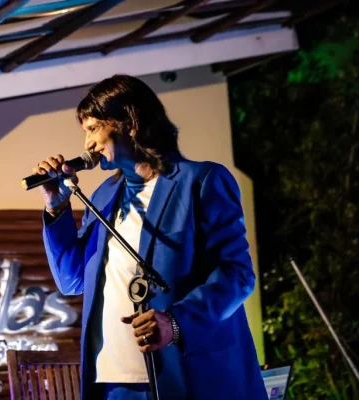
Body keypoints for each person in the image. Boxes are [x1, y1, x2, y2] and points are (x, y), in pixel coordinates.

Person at [31, 74, 267, 400]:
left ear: (129, 123)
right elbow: (71, 280)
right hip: (113, 380)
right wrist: (56, 207)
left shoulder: (201, 181)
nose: (88, 144)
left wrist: (176, 322)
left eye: (93, 129)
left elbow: (237, 275)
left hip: (186, 375)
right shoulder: (103, 197)